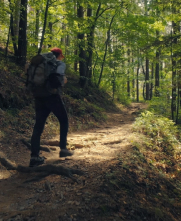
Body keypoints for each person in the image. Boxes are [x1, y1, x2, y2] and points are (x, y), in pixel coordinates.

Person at [29, 47, 73, 167]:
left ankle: (34, 157)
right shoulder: (59, 63)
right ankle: (63, 149)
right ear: (59, 55)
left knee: (38, 126)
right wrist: (63, 81)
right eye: (61, 56)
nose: (61, 58)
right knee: (64, 120)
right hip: (52, 96)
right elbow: (58, 78)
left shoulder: (40, 62)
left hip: (38, 96)